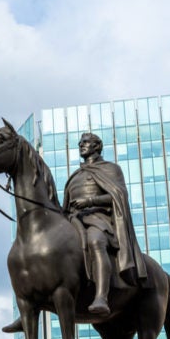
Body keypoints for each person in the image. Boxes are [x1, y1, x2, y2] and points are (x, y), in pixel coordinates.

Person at [62, 132, 146, 314]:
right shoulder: (75, 176)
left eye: (86, 142)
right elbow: (65, 206)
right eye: (80, 142)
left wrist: (90, 202)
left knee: (95, 240)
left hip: (100, 219)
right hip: (74, 220)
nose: (81, 145)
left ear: (97, 146)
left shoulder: (111, 169)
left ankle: (101, 296)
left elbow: (119, 195)